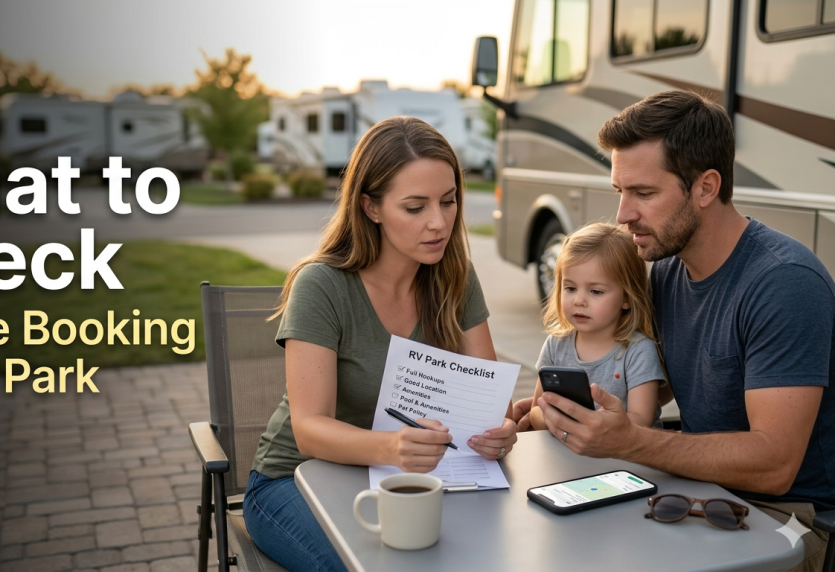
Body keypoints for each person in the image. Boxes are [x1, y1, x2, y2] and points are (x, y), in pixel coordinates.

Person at [531, 90, 833, 571]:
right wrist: (566, 407)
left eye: (644, 194)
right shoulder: (669, 271)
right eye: (620, 192)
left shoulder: (784, 283)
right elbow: (662, 383)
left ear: (706, 188)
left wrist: (629, 440)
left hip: (791, 519)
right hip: (698, 493)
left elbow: (775, 464)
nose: (623, 214)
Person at [243, 116, 518, 571]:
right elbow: (310, 429)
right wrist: (392, 447)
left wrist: (499, 433)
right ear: (371, 207)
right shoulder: (322, 286)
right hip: (295, 480)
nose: (438, 222)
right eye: (415, 208)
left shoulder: (456, 279)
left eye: (448, 202)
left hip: (411, 479)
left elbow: (492, 404)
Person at [529, 222, 668, 431]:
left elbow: (641, 421)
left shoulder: (638, 351)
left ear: (627, 298)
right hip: (571, 456)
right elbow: (536, 410)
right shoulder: (556, 344)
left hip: (627, 460)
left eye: (596, 291)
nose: (579, 300)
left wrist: (592, 428)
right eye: (570, 288)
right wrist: (558, 421)